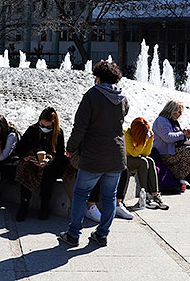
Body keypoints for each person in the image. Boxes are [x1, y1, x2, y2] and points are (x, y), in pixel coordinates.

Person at [58, 60, 128, 248]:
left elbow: (80, 127)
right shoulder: (122, 98)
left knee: (81, 193)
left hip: (94, 155)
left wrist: (71, 147)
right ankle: (102, 234)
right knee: (109, 196)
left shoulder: (92, 95)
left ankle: (73, 235)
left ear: (99, 77)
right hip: (116, 155)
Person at [14, 107, 66, 221]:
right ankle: (24, 205)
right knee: (27, 170)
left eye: (48, 127)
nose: (44, 129)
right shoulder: (33, 130)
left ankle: (44, 206)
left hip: (49, 164)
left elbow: (60, 155)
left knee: (48, 175)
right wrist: (26, 157)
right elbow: (19, 148)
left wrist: (49, 161)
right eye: (42, 126)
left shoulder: (58, 133)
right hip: (32, 162)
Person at [153, 100, 190, 189]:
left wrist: (188, 134)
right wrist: (183, 134)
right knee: (189, 151)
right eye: (179, 112)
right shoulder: (161, 120)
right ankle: (181, 177)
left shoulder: (173, 121)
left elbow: (178, 137)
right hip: (165, 153)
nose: (180, 114)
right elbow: (167, 137)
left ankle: (187, 175)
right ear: (172, 110)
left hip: (173, 150)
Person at [125, 117, 168, 210]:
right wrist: (144, 141)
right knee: (143, 162)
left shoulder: (138, 137)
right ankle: (143, 195)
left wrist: (149, 141)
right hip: (123, 161)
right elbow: (134, 153)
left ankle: (155, 194)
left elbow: (146, 153)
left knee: (150, 160)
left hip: (132, 159)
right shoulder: (126, 134)